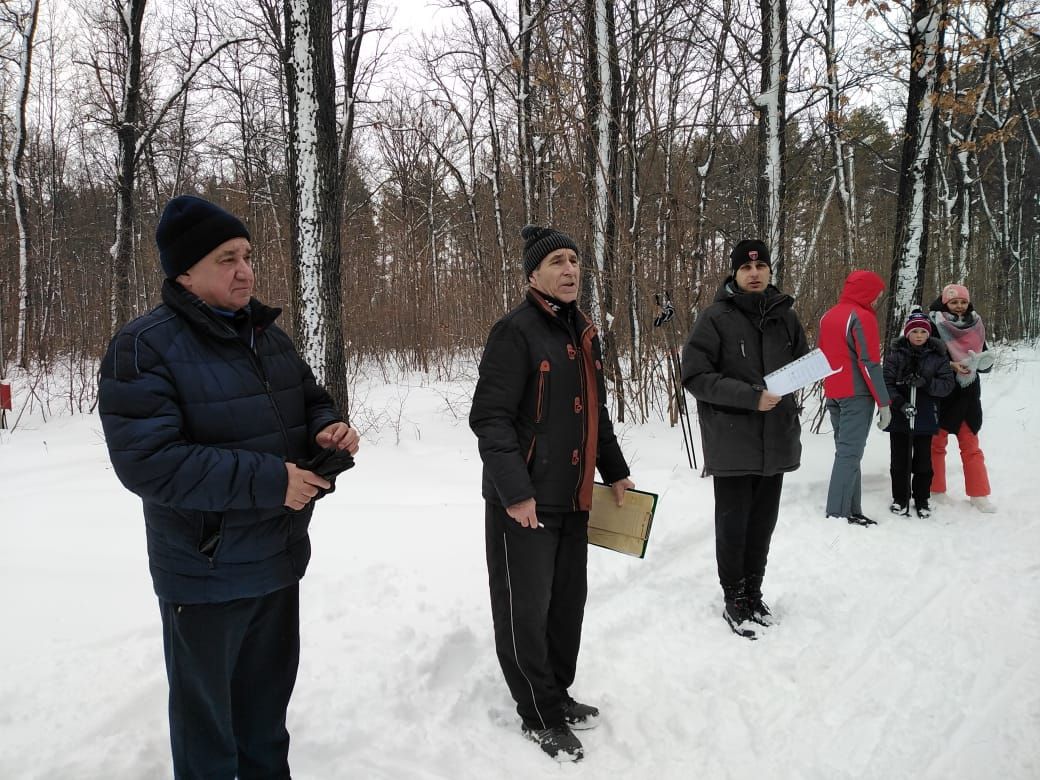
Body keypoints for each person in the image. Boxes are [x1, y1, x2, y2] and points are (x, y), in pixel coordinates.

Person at [98, 195, 360, 779]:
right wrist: (272, 482)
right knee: (208, 734)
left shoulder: (268, 336)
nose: (245, 270)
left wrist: (327, 428)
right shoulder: (143, 348)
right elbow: (150, 463)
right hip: (206, 574)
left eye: (246, 255)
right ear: (184, 272)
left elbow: (309, 398)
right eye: (226, 259)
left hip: (277, 559)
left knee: (265, 723)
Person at [469, 224, 634, 763]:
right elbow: (490, 419)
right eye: (557, 262)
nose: (569, 270)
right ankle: (536, 712)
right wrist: (516, 492)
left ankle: (557, 694)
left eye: (575, 261)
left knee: (566, 606)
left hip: (575, 497)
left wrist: (615, 470)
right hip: (526, 504)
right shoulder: (514, 332)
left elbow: (596, 414)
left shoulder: (583, 331)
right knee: (525, 609)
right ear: (533, 273)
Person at [680, 239, 809, 641]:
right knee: (734, 524)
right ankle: (734, 596)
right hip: (733, 440)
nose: (754, 274)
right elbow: (696, 376)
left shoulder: (786, 317)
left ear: (770, 272)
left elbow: (801, 366)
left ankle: (754, 591)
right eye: (746, 268)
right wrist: (750, 397)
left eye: (761, 267)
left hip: (776, 440)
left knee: (762, 523)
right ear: (734, 274)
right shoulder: (715, 318)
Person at [818, 270, 892, 526]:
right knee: (849, 454)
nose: (876, 299)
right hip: (856, 394)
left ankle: (851, 508)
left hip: (833, 392)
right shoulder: (861, 317)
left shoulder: (828, 316)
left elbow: (823, 357)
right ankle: (838, 513)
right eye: (875, 294)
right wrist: (884, 403)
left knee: (848, 453)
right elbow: (869, 363)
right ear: (866, 291)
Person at [927, 283, 997, 513]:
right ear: (945, 302)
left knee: (971, 444)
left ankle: (979, 495)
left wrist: (983, 362)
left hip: (968, 394)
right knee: (937, 444)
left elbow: (985, 362)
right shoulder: (932, 324)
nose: (959, 306)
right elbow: (924, 359)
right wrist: (950, 365)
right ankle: (935, 490)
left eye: (963, 302)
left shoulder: (976, 325)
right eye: (954, 301)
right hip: (941, 393)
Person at [880, 309, 955, 518]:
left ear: (928, 333)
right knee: (899, 462)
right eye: (915, 332)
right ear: (907, 333)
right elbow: (885, 383)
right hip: (900, 416)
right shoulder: (896, 355)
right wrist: (900, 403)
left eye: (923, 331)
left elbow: (947, 385)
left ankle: (922, 499)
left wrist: (926, 383)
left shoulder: (938, 356)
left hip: (925, 416)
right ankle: (900, 499)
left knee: (923, 462)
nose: (919, 336)